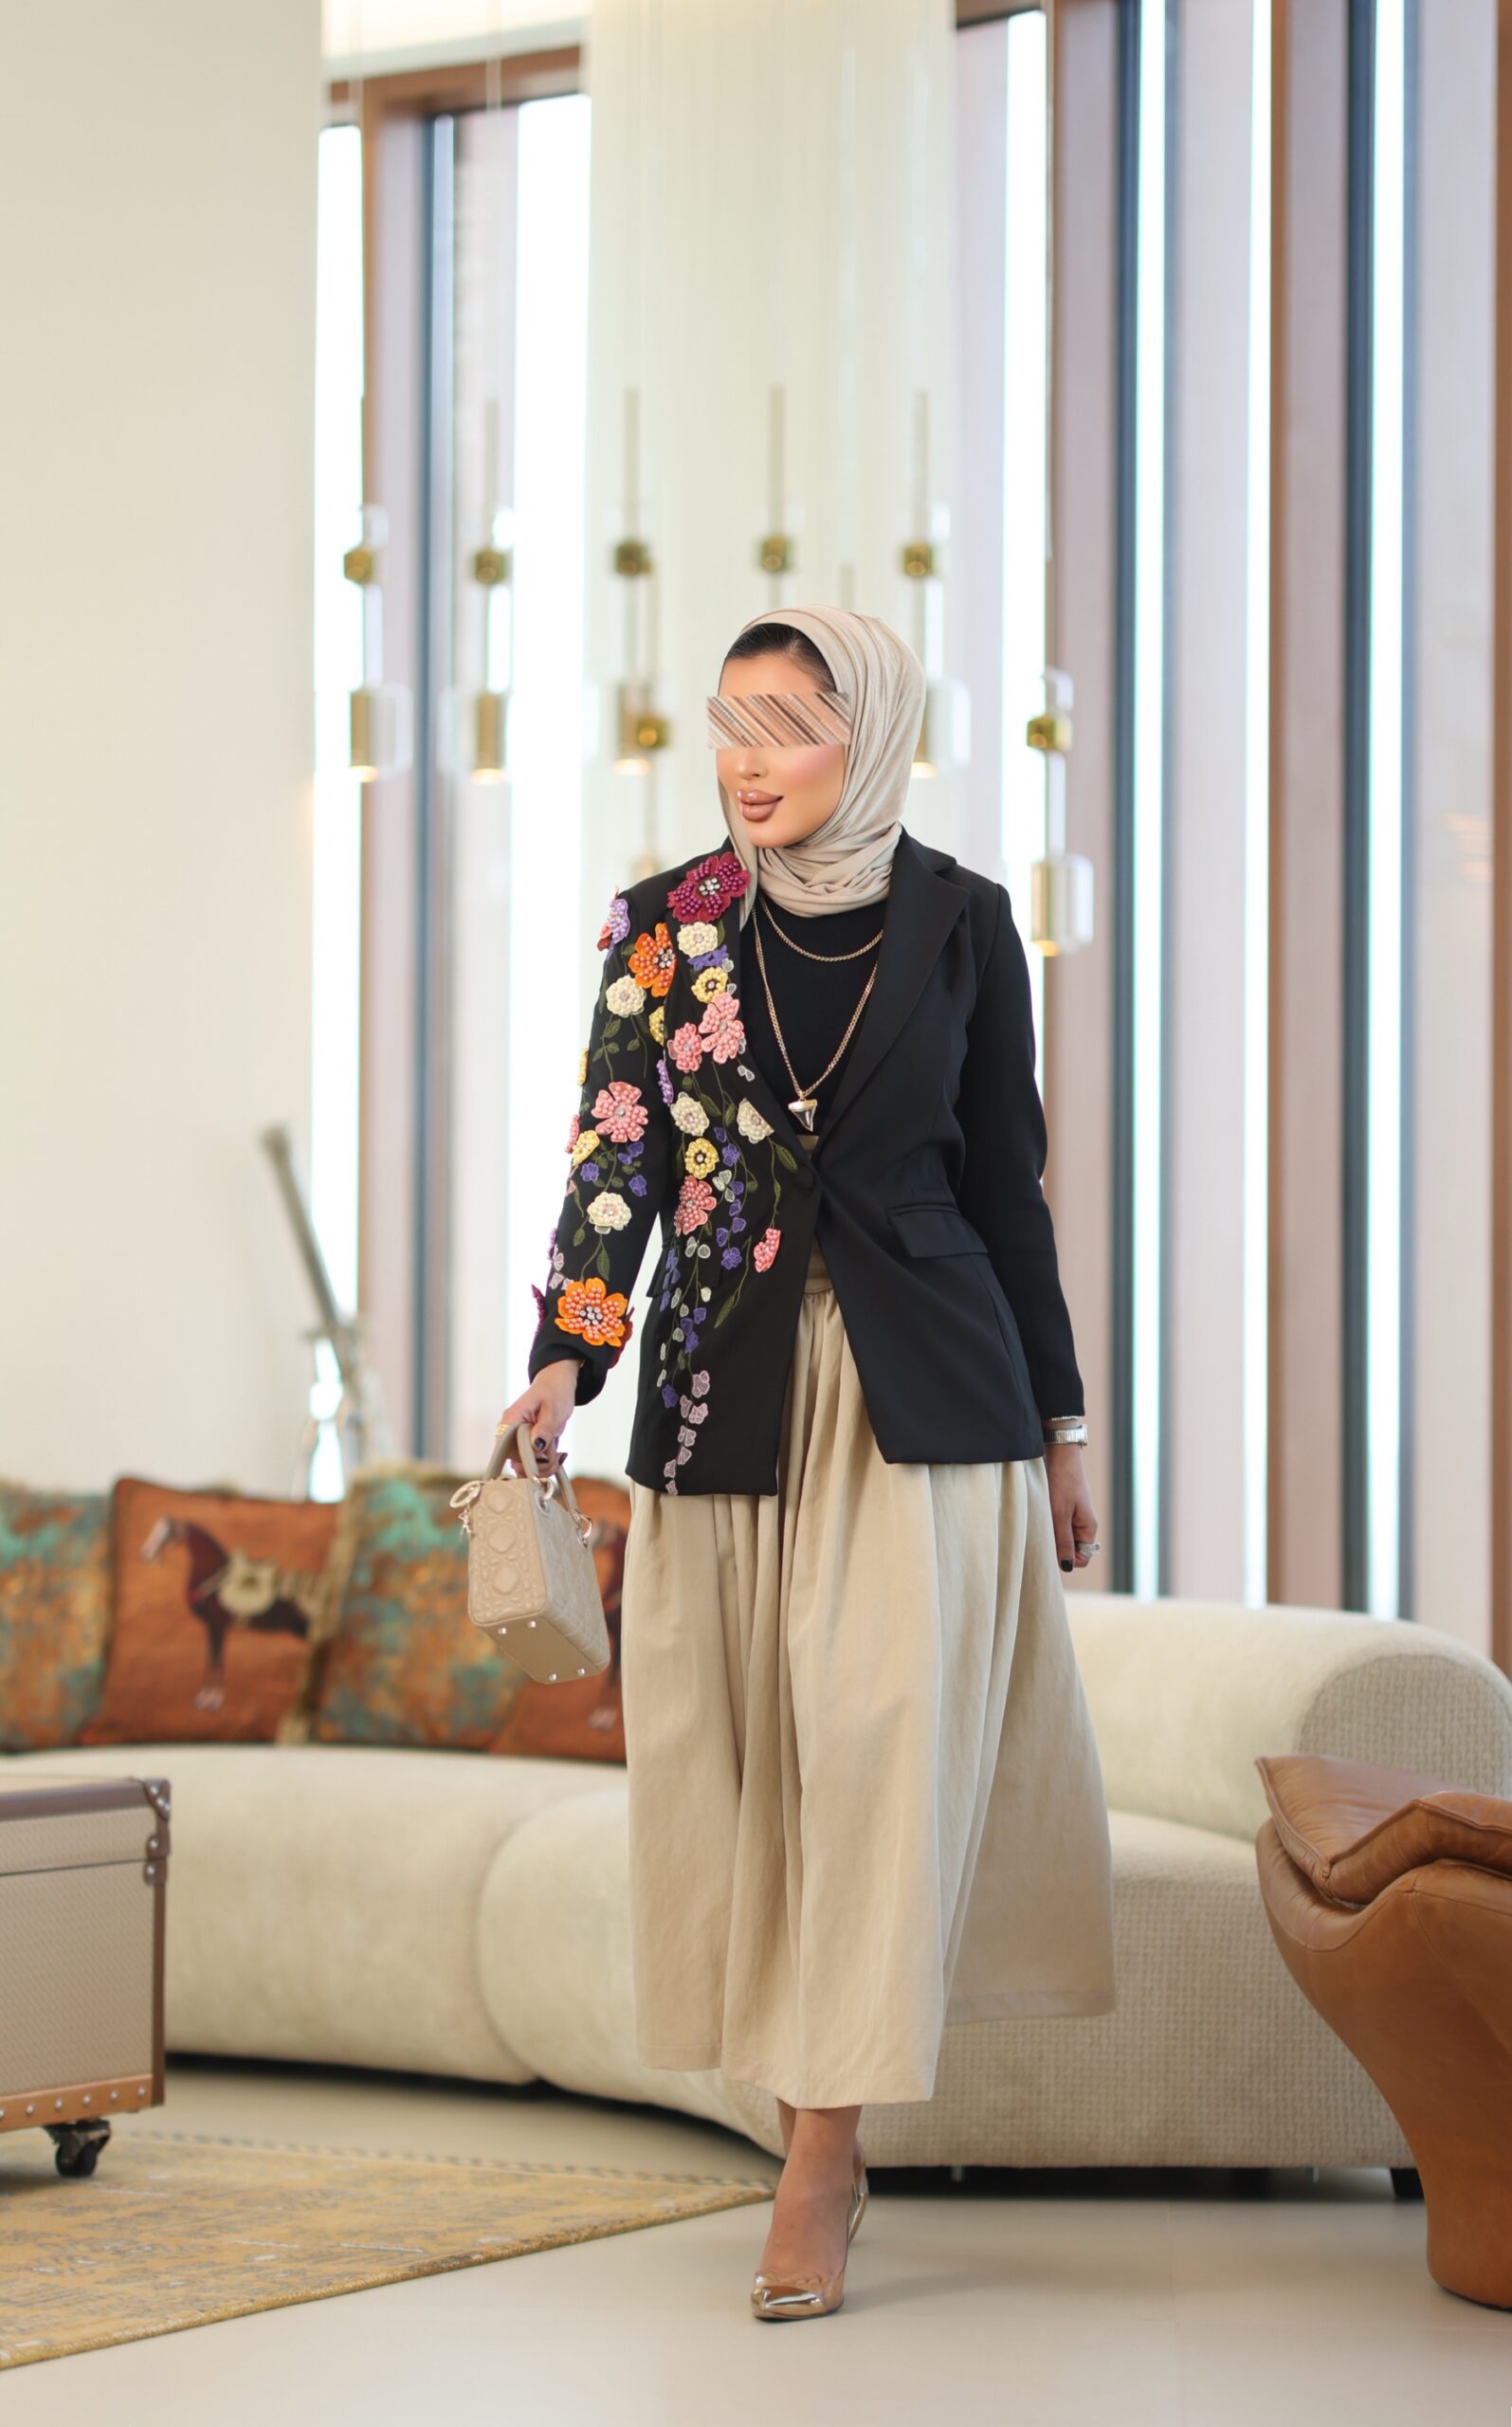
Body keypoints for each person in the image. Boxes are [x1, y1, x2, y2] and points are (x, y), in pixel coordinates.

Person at [497, 605, 1116, 2322]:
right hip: (724, 1389)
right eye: (730, 722)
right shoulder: (663, 927)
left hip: (932, 1391)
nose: (748, 760)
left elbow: (1006, 1189)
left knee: (872, 1750)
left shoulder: (965, 923)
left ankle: (822, 2158)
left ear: (876, 735)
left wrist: (1062, 1425)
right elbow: (614, 1158)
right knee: (752, 1760)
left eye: (788, 725)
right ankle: (805, 2122)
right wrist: (564, 1358)